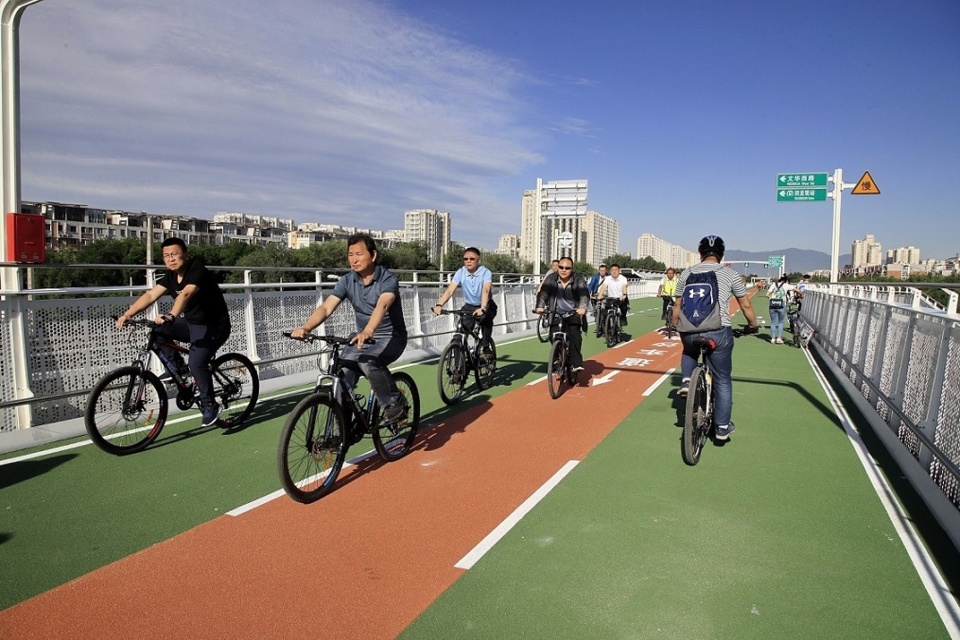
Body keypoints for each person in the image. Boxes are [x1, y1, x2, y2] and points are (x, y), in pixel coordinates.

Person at [291, 233, 408, 424]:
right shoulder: (347, 281)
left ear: (373, 255)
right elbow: (326, 307)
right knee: (341, 369)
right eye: (350, 254)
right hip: (362, 337)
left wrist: (369, 331)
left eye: (359, 254)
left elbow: (383, 305)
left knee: (368, 361)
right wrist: (306, 327)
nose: (354, 259)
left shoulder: (388, 280)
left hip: (390, 337)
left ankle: (395, 402)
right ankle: (343, 426)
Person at [116, 237, 231, 426]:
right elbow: (151, 295)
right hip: (192, 324)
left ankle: (210, 404)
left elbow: (185, 294)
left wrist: (171, 315)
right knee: (158, 331)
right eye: (166, 256)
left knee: (197, 363)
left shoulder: (197, 270)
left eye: (175, 254)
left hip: (214, 326)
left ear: (185, 254)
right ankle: (179, 370)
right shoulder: (170, 276)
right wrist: (128, 314)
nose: (171, 259)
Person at [672, 235, 759, 441]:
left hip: (689, 331)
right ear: (721, 255)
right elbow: (745, 305)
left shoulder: (686, 273)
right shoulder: (730, 274)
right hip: (718, 332)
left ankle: (686, 380)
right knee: (722, 379)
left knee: (689, 350)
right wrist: (752, 326)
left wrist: (676, 326)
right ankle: (721, 427)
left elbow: (677, 305)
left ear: (700, 253)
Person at [433, 246, 497, 350]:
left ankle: (486, 348)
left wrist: (483, 308)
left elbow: (486, 290)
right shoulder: (460, 272)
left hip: (486, 305)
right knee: (460, 334)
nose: (468, 261)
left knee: (486, 319)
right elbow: (449, 290)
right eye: (465, 259)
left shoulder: (485, 272)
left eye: (472, 259)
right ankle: (460, 362)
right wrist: (439, 305)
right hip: (469, 306)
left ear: (478, 260)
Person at [535, 256, 589, 372]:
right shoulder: (551, 278)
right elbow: (544, 292)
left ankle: (576, 363)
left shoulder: (578, 279)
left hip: (573, 313)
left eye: (567, 268)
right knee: (553, 336)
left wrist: (582, 307)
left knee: (575, 336)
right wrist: (540, 306)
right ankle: (558, 356)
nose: (564, 270)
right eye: (561, 267)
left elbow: (583, 294)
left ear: (572, 269)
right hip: (555, 313)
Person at [766, 276, 793, 344]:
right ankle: (779, 338)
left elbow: (767, 294)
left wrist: (772, 299)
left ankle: (772, 339)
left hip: (772, 305)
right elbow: (796, 289)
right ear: (786, 281)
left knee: (773, 322)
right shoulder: (786, 285)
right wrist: (801, 294)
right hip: (781, 305)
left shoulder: (773, 285)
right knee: (780, 322)